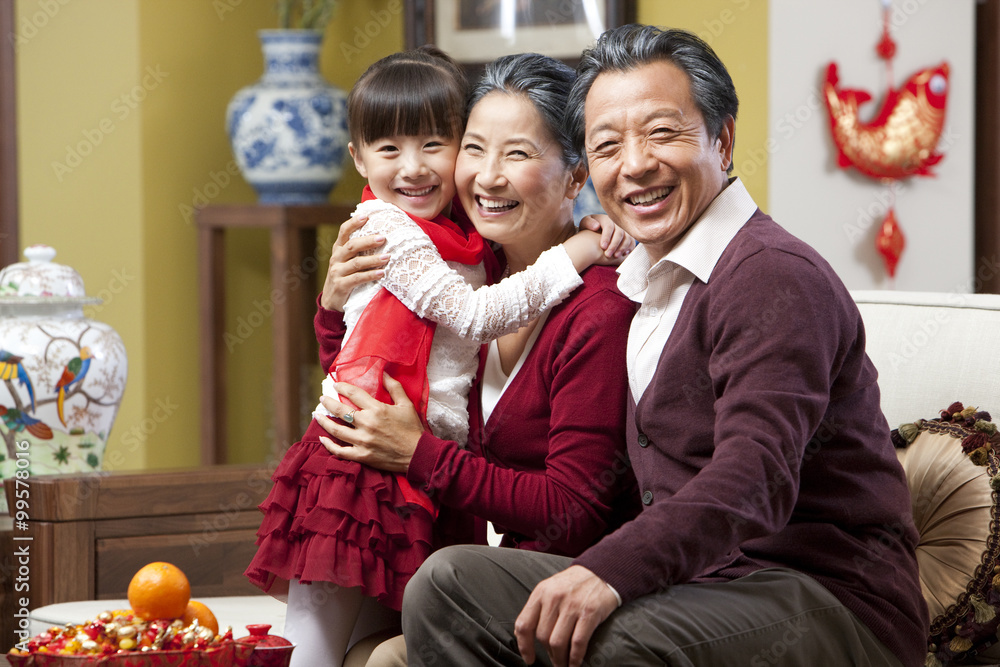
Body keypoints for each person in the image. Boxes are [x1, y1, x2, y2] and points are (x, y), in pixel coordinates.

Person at [397, 25, 929, 667]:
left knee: (614, 641)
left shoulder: (770, 275)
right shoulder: (637, 280)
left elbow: (754, 473)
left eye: (662, 133)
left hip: (825, 597)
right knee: (447, 585)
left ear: (722, 140)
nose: (636, 164)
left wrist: (610, 573)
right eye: (608, 145)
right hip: (697, 589)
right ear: (588, 168)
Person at [243, 47, 631, 667]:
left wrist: (418, 454)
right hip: (416, 513)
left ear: (577, 176)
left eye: (518, 153)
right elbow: (379, 365)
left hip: (539, 579)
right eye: (476, 148)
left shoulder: (592, 310)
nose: (486, 176)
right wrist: (332, 301)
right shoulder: (476, 259)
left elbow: (573, 509)